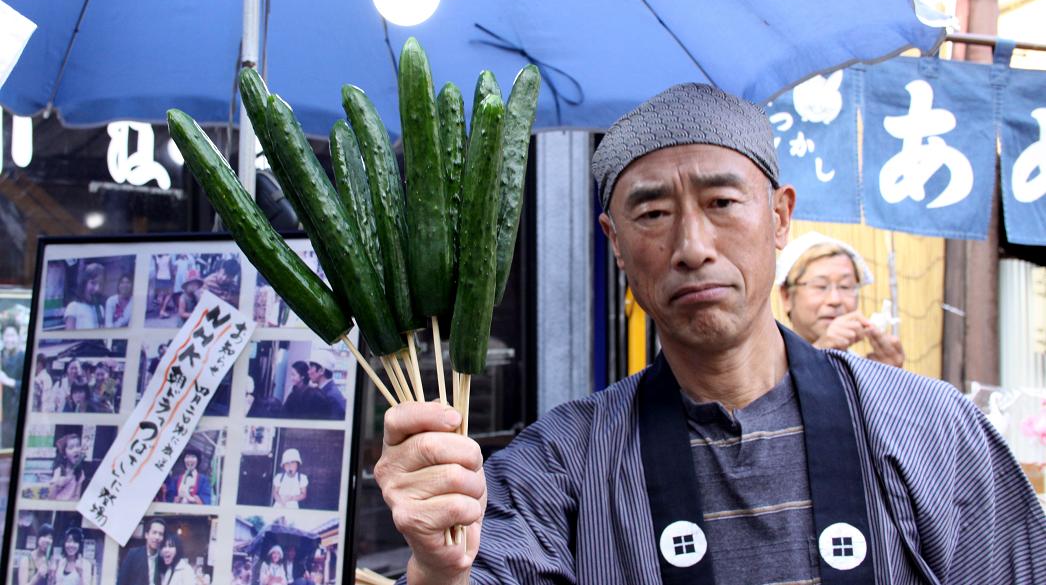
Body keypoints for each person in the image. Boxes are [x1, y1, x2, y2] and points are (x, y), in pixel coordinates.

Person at [374, 84, 1046, 585]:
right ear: (614, 242)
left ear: (780, 216)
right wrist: (437, 562)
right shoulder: (560, 464)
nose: (693, 245)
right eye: (654, 211)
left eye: (722, 203)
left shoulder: (932, 429)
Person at [776, 231, 905, 367]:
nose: (835, 300)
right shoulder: (769, 365)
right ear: (787, 296)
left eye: (845, 286)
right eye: (820, 286)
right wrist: (819, 355)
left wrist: (885, 376)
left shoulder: (858, 368)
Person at [117, 517, 166, 585]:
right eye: (154, 532)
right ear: (146, 535)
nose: (157, 537)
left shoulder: (162, 560)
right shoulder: (133, 554)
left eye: (160, 534)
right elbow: (121, 582)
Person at [303, 349, 345, 420]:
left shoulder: (332, 396)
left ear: (321, 370)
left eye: (311, 368)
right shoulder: (325, 391)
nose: (308, 372)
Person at [2, 322, 25, 447]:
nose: (9, 339)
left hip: (14, 413)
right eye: (6, 335)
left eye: (12, 335)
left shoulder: (24, 357)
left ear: (18, 337)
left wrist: (10, 382)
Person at [64, 262, 105, 330]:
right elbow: (69, 337)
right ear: (84, 283)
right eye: (93, 283)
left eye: (100, 284)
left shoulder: (100, 308)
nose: (97, 289)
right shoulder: (73, 307)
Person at [49, 432, 86, 500]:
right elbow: (51, 498)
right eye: (71, 447)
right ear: (64, 455)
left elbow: (77, 496)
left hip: (70, 508)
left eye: (78, 446)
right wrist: (57, 484)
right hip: (57, 508)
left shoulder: (80, 472)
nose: (76, 450)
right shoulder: (59, 470)